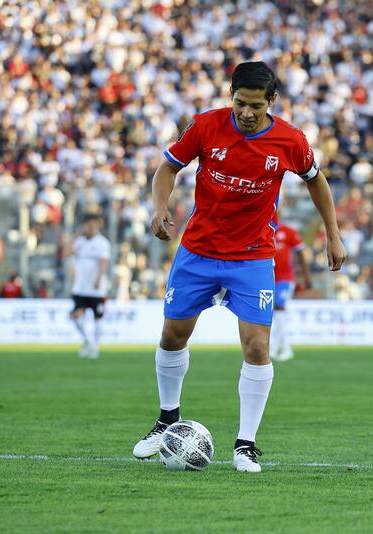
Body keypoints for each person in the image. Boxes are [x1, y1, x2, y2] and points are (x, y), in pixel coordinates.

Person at [132, 61, 347, 472]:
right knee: (173, 336)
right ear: (231, 96)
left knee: (257, 347)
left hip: (252, 256)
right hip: (198, 251)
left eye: (255, 106)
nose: (246, 113)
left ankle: (245, 445)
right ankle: (167, 419)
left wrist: (333, 234)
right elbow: (168, 168)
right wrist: (159, 207)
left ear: (272, 101)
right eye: (240, 103)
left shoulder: (290, 140)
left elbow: (315, 180)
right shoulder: (205, 126)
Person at [69, 212, 110, 359]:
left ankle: (95, 347)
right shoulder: (79, 242)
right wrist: (74, 237)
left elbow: (103, 262)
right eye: (88, 225)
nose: (91, 227)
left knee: (98, 318)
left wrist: (98, 279)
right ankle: (88, 341)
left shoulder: (102, 243)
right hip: (80, 287)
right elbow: (68, 254)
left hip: (96, 289)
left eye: (93, 225)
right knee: (75, 316)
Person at [270, 219, 312, 362]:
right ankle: (282, 348)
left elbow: (300, 253)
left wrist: (306, 276)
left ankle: (279, 348)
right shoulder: (262, 229)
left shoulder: (288, 232)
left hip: (285, 278)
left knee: (279, 306)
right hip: (269, 278)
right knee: (274, 312)